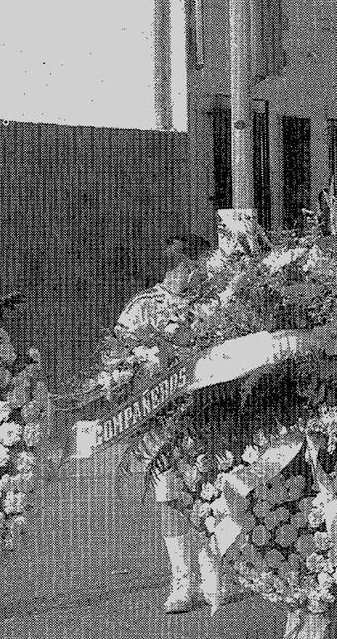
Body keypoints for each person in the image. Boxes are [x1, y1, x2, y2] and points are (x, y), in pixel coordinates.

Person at [119, 234, 225, 614]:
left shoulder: (213, 304)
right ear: (171, 268)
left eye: (197, 266)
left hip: (209, 413)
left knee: (212, 490)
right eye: (185, 266)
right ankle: (182, 581)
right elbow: (118, 363)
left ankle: (214, 571)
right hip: (163, 420)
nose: (191, 274)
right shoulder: (141, 308)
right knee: (171, 498)